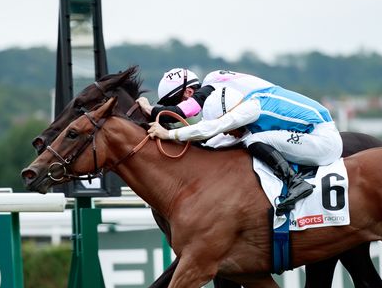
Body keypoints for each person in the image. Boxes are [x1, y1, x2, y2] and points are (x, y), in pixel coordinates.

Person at [147, 82, 343, 216]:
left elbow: (214, 128)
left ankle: (296, 183)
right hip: (316, 137)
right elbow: (216, 140)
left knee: (254, 140)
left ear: (229, 113)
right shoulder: (249, 101)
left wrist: (169, 135)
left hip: (324, 141)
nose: (230, 133)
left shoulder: (250, 107)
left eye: (230, 129)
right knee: (251, 141)